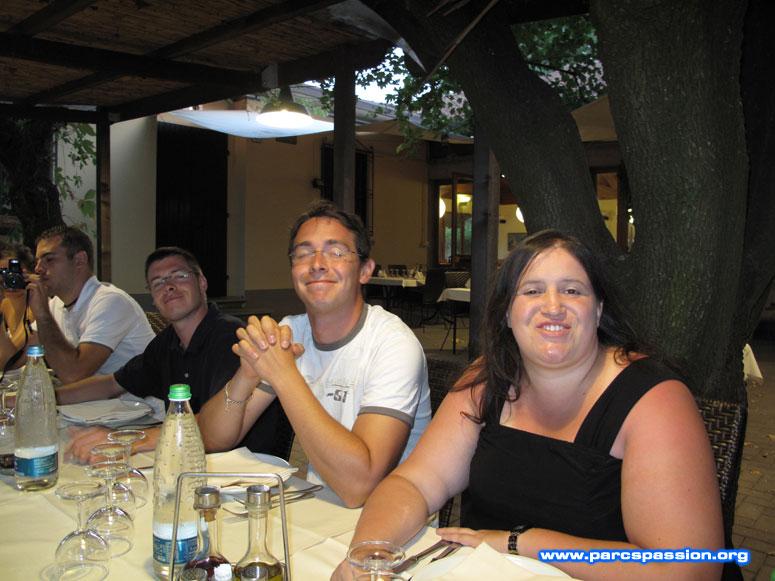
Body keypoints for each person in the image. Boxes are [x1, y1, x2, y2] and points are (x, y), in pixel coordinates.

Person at [333, 230, 723, 580]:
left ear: (599, 309)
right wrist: (367, 555)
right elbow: (414, 483)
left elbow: (687, 568)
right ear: (507, 312)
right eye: (532, 291)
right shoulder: (488, 378)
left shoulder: (653, 399)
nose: (553, 306)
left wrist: (523, 543)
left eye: (573, 291)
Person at [198, 201, 432, 508]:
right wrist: (247, 374)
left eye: (336, 252)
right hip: (320, 505)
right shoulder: (292, 332)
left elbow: (359, 487)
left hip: (392, 519)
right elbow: (213, 440)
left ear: (365, 270)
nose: (317, 263)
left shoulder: (392, 344)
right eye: (303, 253)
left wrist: (283, 374)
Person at [59, 247, 283, 462]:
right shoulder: (166, 343)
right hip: (187, 459)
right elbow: (112, 383)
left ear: (202, 282)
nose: (168, 286)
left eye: (179, 276)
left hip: (242, 467)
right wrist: (51, 398)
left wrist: (129, 440)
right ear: (153, 298)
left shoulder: (230, 338)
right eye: (158, 283)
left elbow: (214, 427)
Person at [28, 225, 155, 384]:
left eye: (49, 260)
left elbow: (73, 374)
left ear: (79, 260)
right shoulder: (56, 304)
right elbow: (15, 358)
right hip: (94, 397)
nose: (38, 269)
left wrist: (42, 314)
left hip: (133, 398)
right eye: (37, 261)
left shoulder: (111, 301)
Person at [0, 242, 35, 370]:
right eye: (3, 273)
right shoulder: (5, 305)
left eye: (14, 272)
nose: (10, 279)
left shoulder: (40, 309)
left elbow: (9, 361)